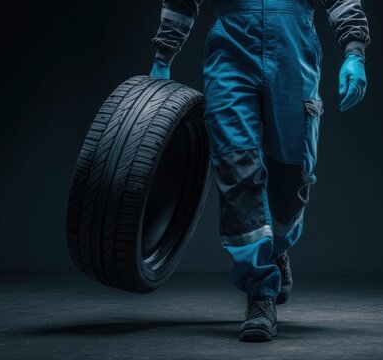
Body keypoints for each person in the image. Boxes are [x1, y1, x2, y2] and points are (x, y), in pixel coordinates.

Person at [150, 0, 369, 342]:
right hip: (231, 52)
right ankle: (260, 293)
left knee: (291, 181)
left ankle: (278, 249)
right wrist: (164, 56)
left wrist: (354, 50)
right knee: (238, 172)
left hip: (294, 52)